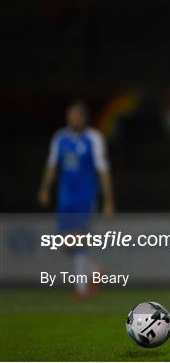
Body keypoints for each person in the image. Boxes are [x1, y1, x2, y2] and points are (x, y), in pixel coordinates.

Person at [38, 100, 115, 299]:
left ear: (84, 118)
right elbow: (52, 165)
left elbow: (103, 170)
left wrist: (108, 200)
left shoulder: (94, 139)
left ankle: (81, 289)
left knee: (78, 239)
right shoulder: (60, 138)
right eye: (70, 115)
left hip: (85, 196)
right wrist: (45, 188)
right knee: (65, 244)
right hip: (65, 197)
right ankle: (95, 270)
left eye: (77, 115)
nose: (73, 119)